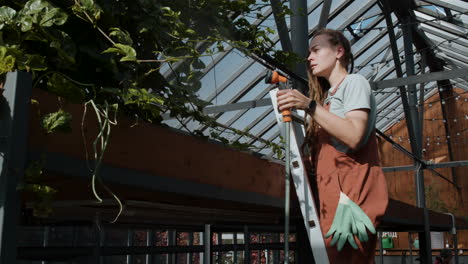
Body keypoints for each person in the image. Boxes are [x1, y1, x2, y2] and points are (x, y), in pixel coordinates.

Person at [276, 28, 389, 263]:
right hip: (332, 200)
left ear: (339, 51)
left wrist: (310, 106)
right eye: (309, 52)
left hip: (352, 201)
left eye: (316, 50)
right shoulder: (327, 99)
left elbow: (354, 136)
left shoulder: (354, 83)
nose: (309, 57)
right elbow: (328, 154)